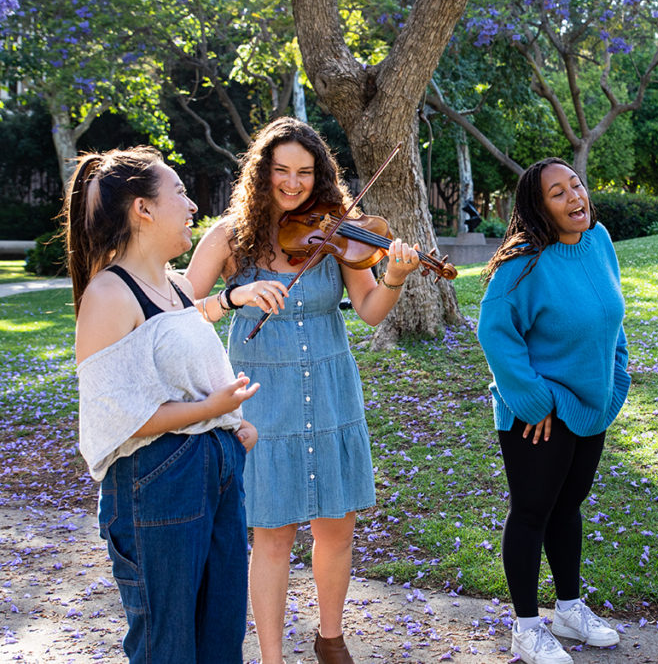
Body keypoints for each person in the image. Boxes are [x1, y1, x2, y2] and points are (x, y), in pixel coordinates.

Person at [185, 117, 422, 664]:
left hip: (332, 394)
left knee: (336, 529)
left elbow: (368, 310)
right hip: (263, 399)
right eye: (282, 171)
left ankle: (330, 637)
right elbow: (178, 313)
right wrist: (233, 300)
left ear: (320, 177)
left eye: (306, 173)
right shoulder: (228, 237)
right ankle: (271, 656)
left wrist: (395, 277)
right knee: (272, 535)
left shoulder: (339, 231)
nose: (293, 184)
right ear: (262, 172)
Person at [63, 147, 260, 664]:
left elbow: (182, 354)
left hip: (213, 466)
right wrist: (211, 409)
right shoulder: (109, 295)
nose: (192, 205)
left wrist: (228, 426)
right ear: (142, 209)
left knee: (221, 637)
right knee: (166, 645)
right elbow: (121, 418)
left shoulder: (171, 286)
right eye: (180, 192)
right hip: (156, 479)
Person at [476, 158, 630, 664]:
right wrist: (532, 399)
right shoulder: (521, 262)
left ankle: (568, 609)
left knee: (568, 509)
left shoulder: (599, 240)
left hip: (593, 403)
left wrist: (618, 376)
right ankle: (526, 628)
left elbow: (611, 317)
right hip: (539, 413)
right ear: (538, 208)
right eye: (557, 193)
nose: (574, 197)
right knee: (531, 513)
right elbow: (496, 332)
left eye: (577, 185)